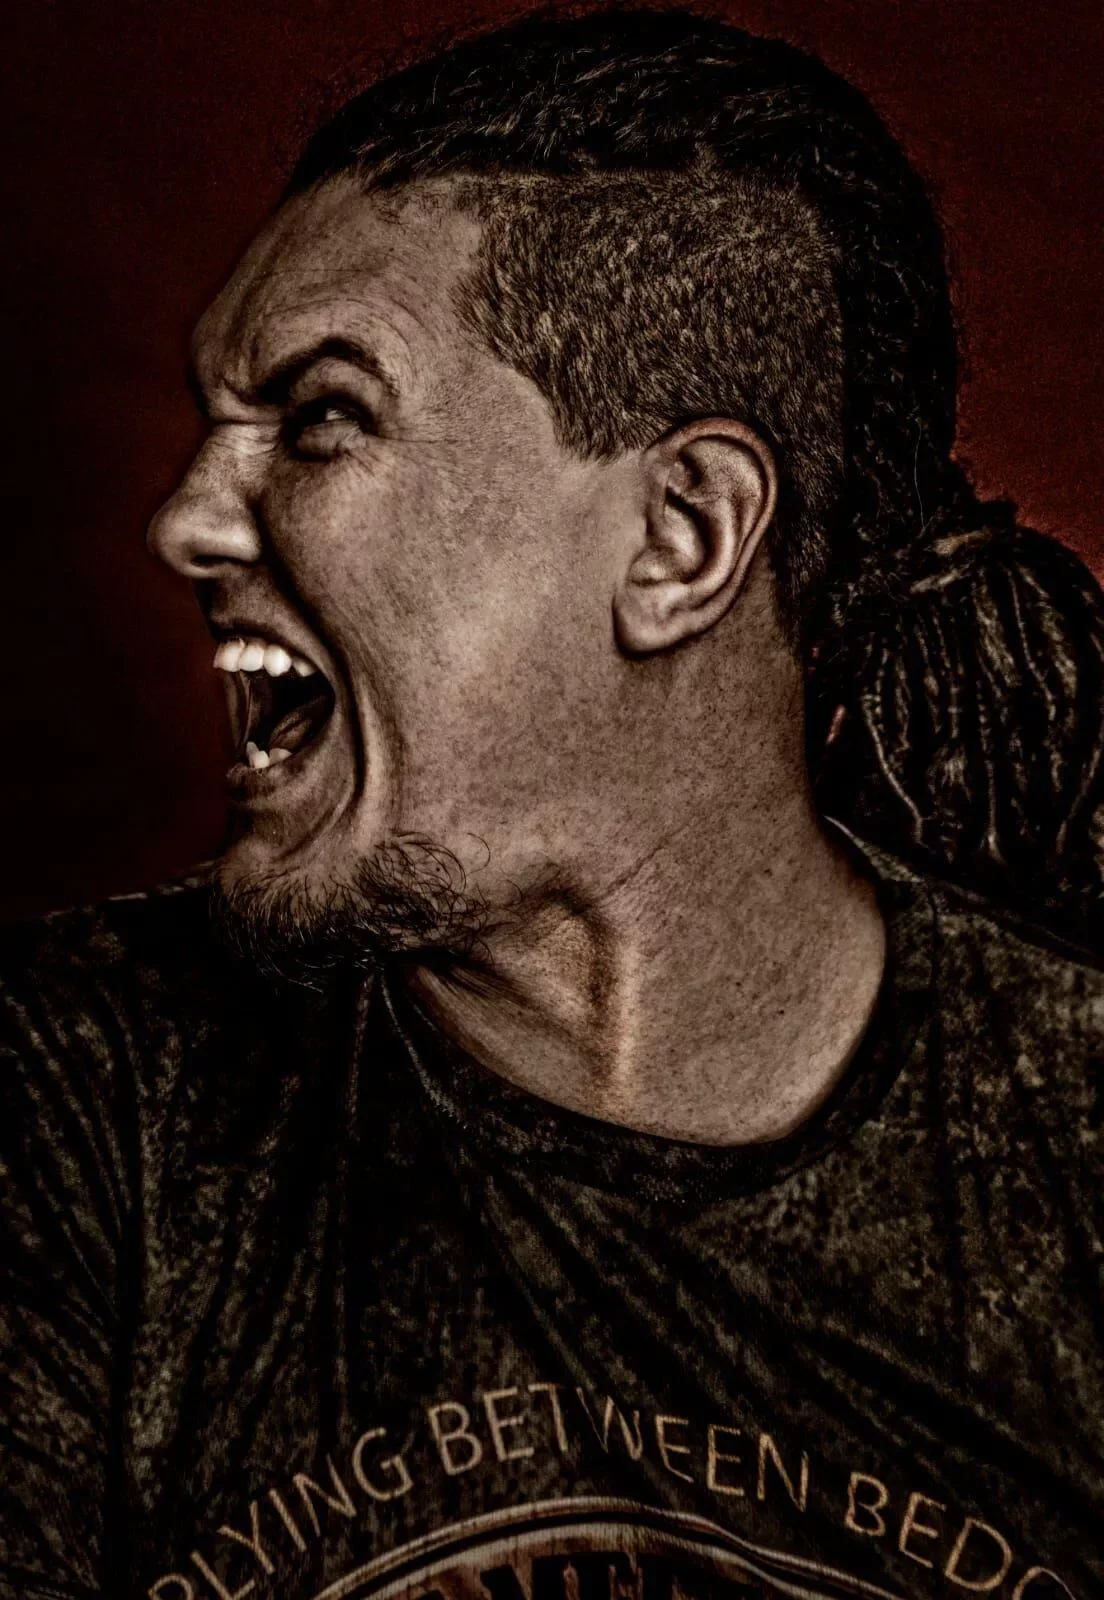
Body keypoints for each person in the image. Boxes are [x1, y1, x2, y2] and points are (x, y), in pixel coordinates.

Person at [2, 10, 1102, 1599]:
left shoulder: (1066, 1152)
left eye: (321, 416)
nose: (185, 519)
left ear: (680, 536)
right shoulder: (73, 1108)